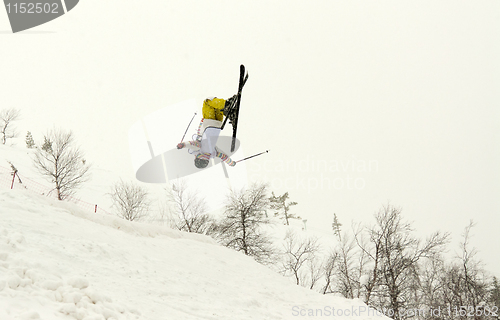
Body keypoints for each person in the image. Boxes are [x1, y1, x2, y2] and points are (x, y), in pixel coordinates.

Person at [177, 96, 237, 169]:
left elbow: (224, 156)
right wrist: (183, 145)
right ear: (198, 158)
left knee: (216, 108)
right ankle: (227, 105)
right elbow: (192, 144)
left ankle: (228, 112)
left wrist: (231, 163)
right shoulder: (199, 149)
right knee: (207, 102)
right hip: (209, 123)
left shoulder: (213, 153)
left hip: (218, 125)